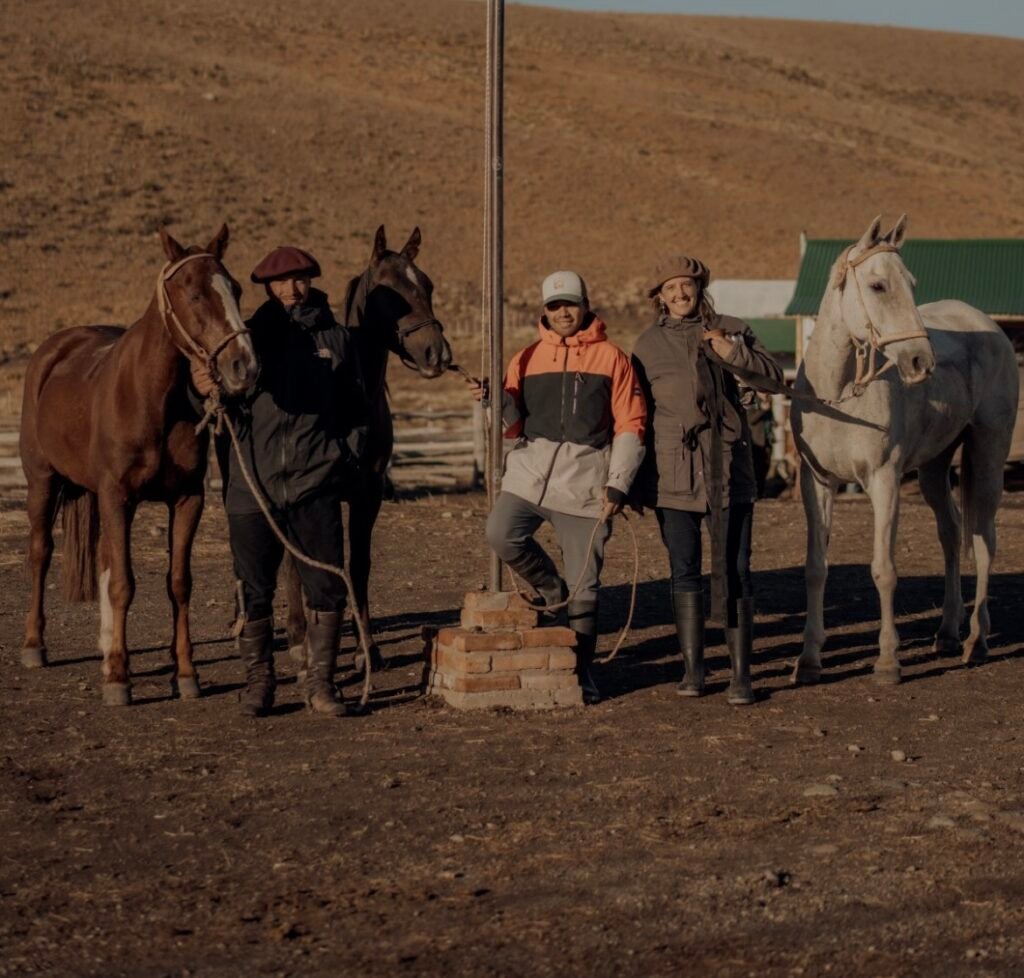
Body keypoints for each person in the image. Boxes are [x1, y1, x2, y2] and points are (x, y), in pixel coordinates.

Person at [190, 245, 365, 718]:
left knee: (327, 589)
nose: (292, 289)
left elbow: (358, 410)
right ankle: (259, 683)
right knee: (254, 588)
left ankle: (321, 685)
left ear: (311, 280)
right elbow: (215, 400)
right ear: (267, 286)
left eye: (301, 279)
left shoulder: (337, 338)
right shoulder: (248, 337)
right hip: (253, 490)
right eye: (282, 282)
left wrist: (340, 459)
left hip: (315, 485)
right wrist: (201, 388)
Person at [469, 271, 646, 704]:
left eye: (570, 303)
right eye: (554, 305)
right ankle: (551, 591)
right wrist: (495, 401)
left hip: (586, 483)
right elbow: (513, 429)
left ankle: (580, 670)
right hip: (529, 477)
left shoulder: (612, 358)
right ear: (543, 311)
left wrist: (617, 484)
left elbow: (631, 423)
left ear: (585, 304)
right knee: (500, 533)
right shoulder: (524, 358)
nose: (563, 312)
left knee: (586, 584)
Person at [631, 255, 782, 705]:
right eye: (670, 287)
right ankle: (694, 670)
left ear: (700, 288)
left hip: (729, 471)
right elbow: (636, 412)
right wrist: (630, 482)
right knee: (684, 571)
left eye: (687, 285)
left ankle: (740, 675)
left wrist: (730, 351)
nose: (680, 293)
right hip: (672, 474)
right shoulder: (646, 344)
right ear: (659, 295)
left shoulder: (733, 328)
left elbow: (772, 379)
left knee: (736, 569)